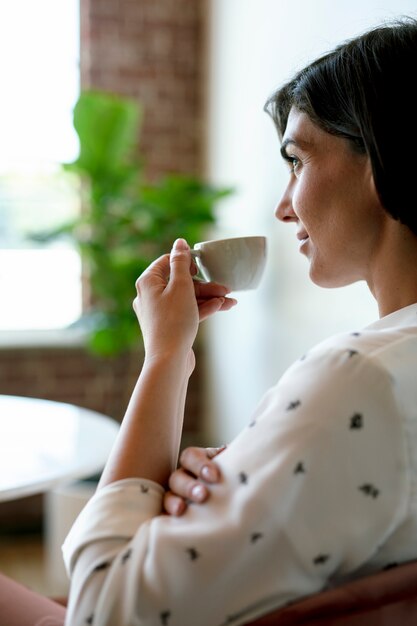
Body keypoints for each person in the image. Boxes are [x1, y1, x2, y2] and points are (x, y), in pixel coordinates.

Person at [61, 17, 417, 626]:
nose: (283, 207)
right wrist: (246, 472)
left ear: (379, 160)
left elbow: (100, 610)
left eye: (296, 160)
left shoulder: (356, 378)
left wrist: (166, 356)